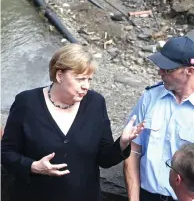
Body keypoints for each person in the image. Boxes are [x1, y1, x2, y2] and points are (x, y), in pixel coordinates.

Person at [1, 44, 145, 201]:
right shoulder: (26, 103)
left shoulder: (95, 103)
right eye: (80, 79)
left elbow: (104, 159)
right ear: (59, 76)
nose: (86, 86)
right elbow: (6, 153)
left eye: (89, 79)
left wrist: (122, 144)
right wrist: (33, 166)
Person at [123, 36, 194, 201]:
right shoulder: (150, 97)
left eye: (167, 70)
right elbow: (133, 151)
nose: (160, 72)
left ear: (190, 71)